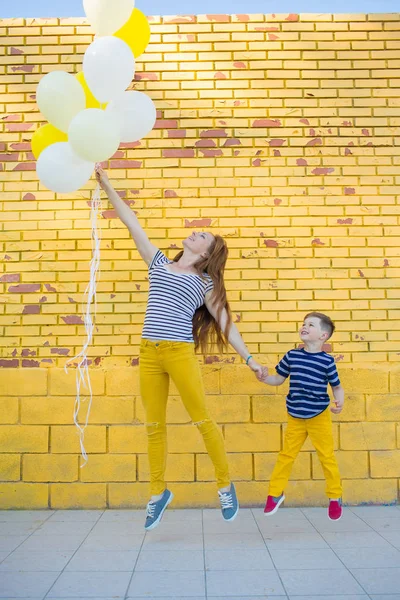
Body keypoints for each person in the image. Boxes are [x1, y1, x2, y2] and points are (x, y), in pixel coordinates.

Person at [95, 166, 263, 531]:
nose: (194, 232)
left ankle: (224, 485)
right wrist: (106, 182)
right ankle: (158, 493)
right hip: (149, 352)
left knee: (202, 418)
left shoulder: (206, 283)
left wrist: (249, 358)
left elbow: (225, 324)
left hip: (178, 352)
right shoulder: (158, 262)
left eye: (201, 234)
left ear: (207, 253)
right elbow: (131, 222)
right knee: (154, 424)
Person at [258, 312, 345, 521]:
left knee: (326, 456)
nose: (304, 326)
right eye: (304, 324)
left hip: (319, 416)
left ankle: (335, 496)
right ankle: (275, 493)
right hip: (295, 415)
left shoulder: (327, 361)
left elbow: (337, 386)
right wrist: (263, 378)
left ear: (323, 336)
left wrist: (339, 401)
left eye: (311, 325)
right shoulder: (292, 355)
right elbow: (278, 379)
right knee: (286, 455)